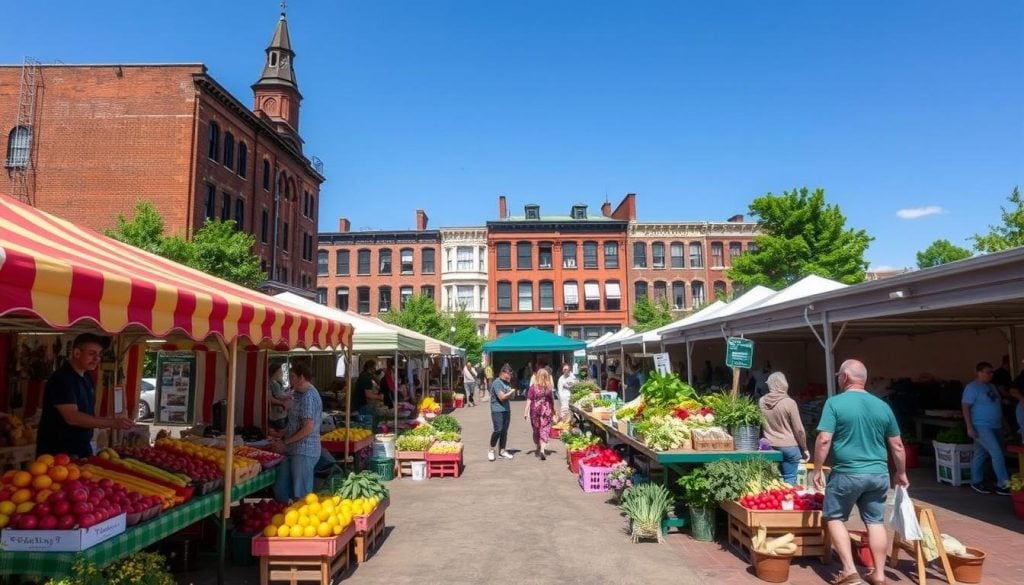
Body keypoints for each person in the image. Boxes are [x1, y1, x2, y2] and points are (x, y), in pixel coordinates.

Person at [812, 359, 906, 585]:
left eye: (839, 376)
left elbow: (824, 439)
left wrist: (817, 469)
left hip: (847, 473)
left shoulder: (835, 403)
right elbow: (898, 445)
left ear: (844, 377)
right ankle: (879, 574)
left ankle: (849, 570)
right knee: (875, 521)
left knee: (834, 517)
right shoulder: (883, 406)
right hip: (878, 474)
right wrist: (901, 473)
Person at [37, 333, 133, 458]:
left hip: (81, 448)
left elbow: (87, 414)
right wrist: (112, 422)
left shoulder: (86, 376)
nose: (97, 359)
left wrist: (111, 421)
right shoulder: (62, 379)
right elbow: (72, 417)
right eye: (92, 353)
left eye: (99, 355)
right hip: (58, 452)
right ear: (77, 353)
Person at [271, 362, 322, 503]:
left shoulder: (309, 397)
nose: (290, 379)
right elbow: (295, 422)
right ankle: (285, 513)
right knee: (281, 489)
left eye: (292, 376)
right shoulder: (298, 394)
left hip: (304, 451)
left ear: (301, 378)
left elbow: (308, 427)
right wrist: (282, 433)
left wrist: (285, 442)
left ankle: (304, 520)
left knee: (301, 493)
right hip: (292, 449)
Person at [961, 362, 1011, 495]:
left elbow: (997, 406)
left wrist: (1004, 423)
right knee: (997, 452)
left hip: (995, 425)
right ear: (979, 372)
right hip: (981, 425)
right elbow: (965, 407)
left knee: (981, 454)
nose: (991, 374)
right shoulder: (972, 387)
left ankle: (976, 481)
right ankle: (1003, 483)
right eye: (988, 372)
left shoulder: (992, 386)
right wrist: (969, 427)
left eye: (992, 372)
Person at [758, 372, 809, 485]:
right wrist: (804, 448)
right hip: (789, 447)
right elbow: (799, 429)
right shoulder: (789, 403)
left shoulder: (761, 402)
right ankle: (787, 501)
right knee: (789, 481)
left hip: (769, 446)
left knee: (770, 482)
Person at [525, 368, 556, 460]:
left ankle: (538, 447)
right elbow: (551, 400)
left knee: (536, 430)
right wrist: (554, 411)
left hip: (535, 411)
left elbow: (529, 400)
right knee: (545, 429)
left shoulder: (533, 387)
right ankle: (542, 449)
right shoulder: (549, 388)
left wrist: (525, 412)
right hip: (546, 411)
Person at [488, 364, 516, 461]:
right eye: (509, 374)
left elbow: (511, 398)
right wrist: (510, 392)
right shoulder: (497, 383)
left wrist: (512, 393)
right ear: (504, 373)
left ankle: (502, 451)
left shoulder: (507, 383)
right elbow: (502, 397)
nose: (510, 376)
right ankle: (491, 450)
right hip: (497, 410)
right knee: (498, 430)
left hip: (506, 410)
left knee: (504, 431)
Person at [267, 363, 291, 431]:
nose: (282, 374)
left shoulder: (276, 383)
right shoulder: (273, 383)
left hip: (280, 414)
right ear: (274, 373)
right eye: (280, 372)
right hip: (278, 415)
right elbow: (278, 396)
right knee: (280, 434)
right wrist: (287, 397)